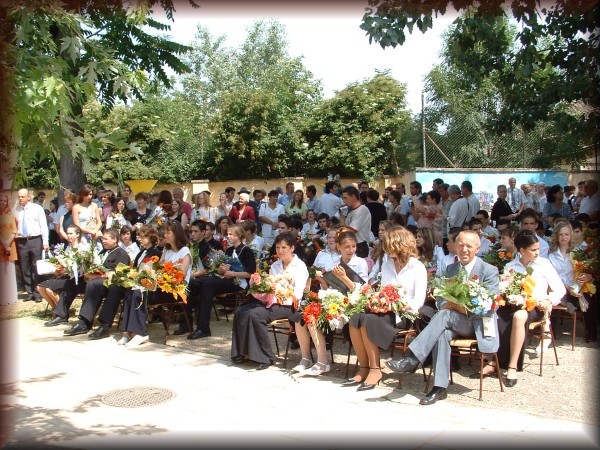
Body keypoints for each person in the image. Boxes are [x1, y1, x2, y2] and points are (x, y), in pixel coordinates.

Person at [386, 230, 500, 405]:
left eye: (469, 246)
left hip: (475, 322)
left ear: (477, 249)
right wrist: (446, 304)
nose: (464, 249)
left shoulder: (488, 270)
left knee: (445, 315)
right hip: (451, 320)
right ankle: (440, 387)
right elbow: (440, 298)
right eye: (460, 245)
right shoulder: (451, 269)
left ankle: (413, 358)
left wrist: (465, 306)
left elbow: (492, 304)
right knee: (442, 333)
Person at [344, 226, 427, 390]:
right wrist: (379, 300)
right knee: (355, 318)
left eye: (389, 245)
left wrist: (398, 304)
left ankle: (375, 370)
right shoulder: (387, 265)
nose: (386, 249)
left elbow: (418, 301)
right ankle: (364, 367)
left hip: (404, 314)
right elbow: (383, 290)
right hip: (384, 311)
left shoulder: (417, 267)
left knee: (367, 321)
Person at [494, 230, 566, 386]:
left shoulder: (544, 264)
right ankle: (492, 360)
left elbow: (560, 290)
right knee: (494, 314)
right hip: (514, 305)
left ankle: (512, 366)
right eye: (533, 250)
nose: (537, 252)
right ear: (522, 250)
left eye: (538, 249)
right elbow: (505, 289)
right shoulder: (510, 266)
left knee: (520, 316)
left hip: (536, 306)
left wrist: (548, 300)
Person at [230, 233, 308, 370]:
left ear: (292, 248)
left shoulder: (300, 266)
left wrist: (282, 289)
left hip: (289, 304)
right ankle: (243, 352)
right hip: (272, 300)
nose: (280, 251)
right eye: (278, 247)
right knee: (241, 311)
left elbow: (298, 293)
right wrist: (261, 286)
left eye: (284, 247)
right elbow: (270, 287)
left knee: (256, 315)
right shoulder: (275, 265)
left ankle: (265, 357)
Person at [184, 224, 256, 340]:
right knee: (192, 283)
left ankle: (203, 328)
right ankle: (186, 323)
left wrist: (232, 274)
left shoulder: (246, 250)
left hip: (238, 282)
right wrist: (221, 269)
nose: (229, 237)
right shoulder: (229, 250)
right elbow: (219, 269)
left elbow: (251, 273)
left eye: (232, 234)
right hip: (225, 278)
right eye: (228, 234)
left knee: (208, 285)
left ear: (239, 235)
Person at [61, 228, 131, 335]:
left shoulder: (121, 253)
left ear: (115, 240)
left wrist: (103, 274)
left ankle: (104, 324)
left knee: (95, 285)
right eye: (102, 239)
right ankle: (84, 321)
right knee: (85, 283)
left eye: (106, 239)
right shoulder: (103, 252)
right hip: (99, 282)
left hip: (114, 284)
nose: (103, 241)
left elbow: (120, 274)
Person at [548, 221, 596, 341]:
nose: (563, 237)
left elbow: (586, 272)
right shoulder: (551, 254)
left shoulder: (578, 252)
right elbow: (551, 277)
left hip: (577, 286)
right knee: (552, 298)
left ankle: (591, 333)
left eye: (566, 234)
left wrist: (581, 282)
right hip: (559, 287)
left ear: (571, 235)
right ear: (556, 236)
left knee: (588, 298)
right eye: (560, 234)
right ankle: (550, 333)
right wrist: (567, 288)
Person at [36, 225, 87, 310]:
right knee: (39, 287)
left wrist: (65, 269)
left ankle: (61, 310)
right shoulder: (68, 248)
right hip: (65, 276)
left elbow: (81, 268)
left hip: (76, 279)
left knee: (49, 289)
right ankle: (55, 308)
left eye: (71, 233)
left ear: (77, 234)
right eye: (68, 233)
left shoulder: (82, 249)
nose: (69, 236)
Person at [13, 188, 50, 302]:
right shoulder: (16, 210)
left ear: (28, 197)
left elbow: (43, 225)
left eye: (22, 196)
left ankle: (37, 292)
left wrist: (45, 242)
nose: (20, 198)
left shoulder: (37, 208)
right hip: (22, 241)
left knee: (36, 266)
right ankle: (29, 292)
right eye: (19, 196)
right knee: (24, 267)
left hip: (35, 239)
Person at [340, 186, 371, 258]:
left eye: (345, 198)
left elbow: (350, 231)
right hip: (351, 244)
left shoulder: (362, 210)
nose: (344, 201)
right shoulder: (351, 212)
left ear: (353, 197)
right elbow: (343, 227)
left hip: (360, 246)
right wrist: (342, 214)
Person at [0, 192, 18, 305]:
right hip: (1, 246)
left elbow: (14, 230)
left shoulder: (10, 215)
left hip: (10, 245)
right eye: (1, 201)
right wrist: (3, 241)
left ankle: (11, 297)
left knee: (10, 271)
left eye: (4, 201)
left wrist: (7, 242)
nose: (2, 203)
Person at [367, 220, 395, 286]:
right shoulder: (379, 247)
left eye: (383, 230)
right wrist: (371, 279)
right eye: (379, 230)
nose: (380, 232)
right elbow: (374, 270)